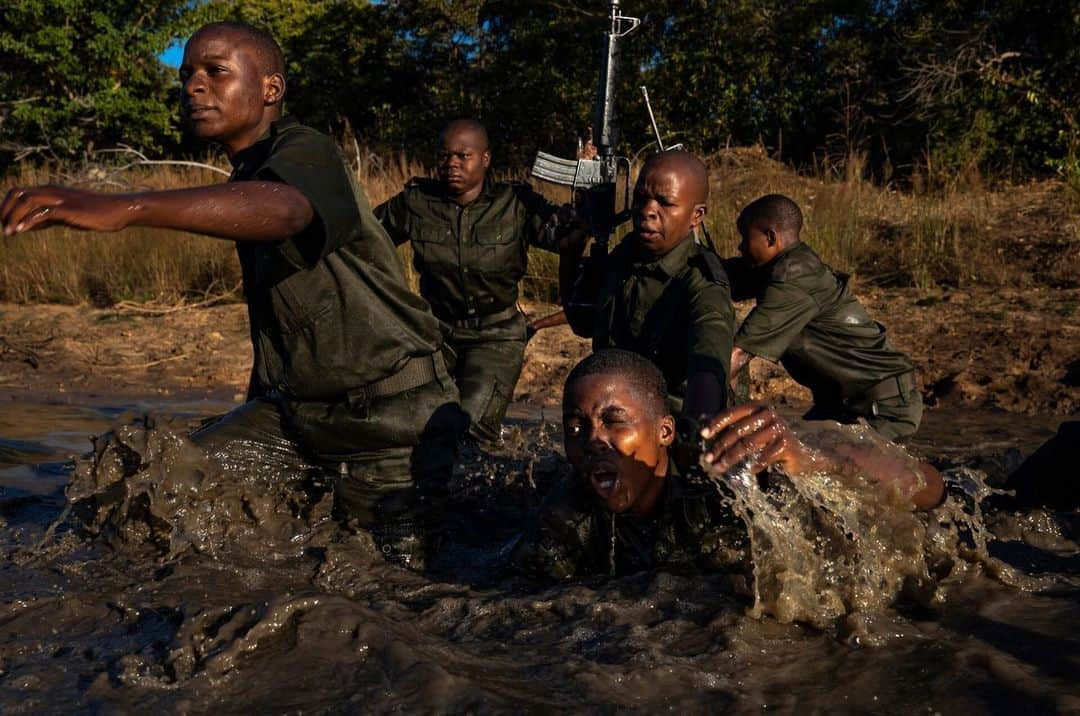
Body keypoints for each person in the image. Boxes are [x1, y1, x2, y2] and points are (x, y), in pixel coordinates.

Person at [0, 21, 465, 568]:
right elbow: (286, 323)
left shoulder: (306, 150)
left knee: (395, 585)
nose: (194, 86)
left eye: (216, 72)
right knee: (149, 489)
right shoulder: (246, 177)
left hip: (390, 420)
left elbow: (288, 210)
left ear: (271, 89)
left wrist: (125, 208)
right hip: (294, 415)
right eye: (188, 75)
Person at [509, 349, 944, 580]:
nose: (593, 441)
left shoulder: (725, 471)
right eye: (575, 427)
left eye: (613, 421)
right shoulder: (566, 516)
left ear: (663, 432)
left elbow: (928, 488)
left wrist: (807, 459)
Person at [377, 119, 569, 444]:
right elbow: (365, 238)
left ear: (485, 159)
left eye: (462, 156)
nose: (451, 164)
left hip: (496, 336)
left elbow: (565, 236)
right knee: (399, 421)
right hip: (435, 332)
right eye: (444, 156)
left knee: (471, 433)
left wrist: (588, 196)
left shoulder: (516, 204)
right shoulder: (416, 203)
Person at [560, 150, 735, 445]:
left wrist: (697, 432)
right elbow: (582, 321)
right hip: (617, 418)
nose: (647, 211)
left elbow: (709, 364)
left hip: (674, 426)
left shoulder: (702, 282)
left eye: (665, 203)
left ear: (696, 216)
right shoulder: (625, 255)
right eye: (641, 198)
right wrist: (569, 255)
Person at [726, 194, 923, 441]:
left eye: (745, 237)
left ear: (770, 237)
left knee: (818, 467)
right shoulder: (785, 266)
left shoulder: (792, 278)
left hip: (881, 407)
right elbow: (730, 280)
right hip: (843, 403)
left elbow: (740, 354)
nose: (741, 247)